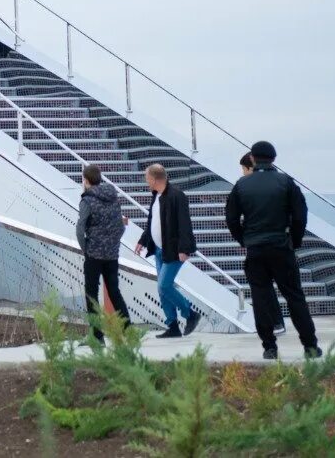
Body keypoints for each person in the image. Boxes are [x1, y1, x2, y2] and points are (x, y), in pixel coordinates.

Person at [225, 141, 322, 360]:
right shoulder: (286, 182)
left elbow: (231, 218)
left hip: (256, 250)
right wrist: (294, 240)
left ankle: (270, 347)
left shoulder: (242, 185)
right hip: (281, 246)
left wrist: (244, 240)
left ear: (253, 158)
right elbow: (300, 215)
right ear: (273, 158)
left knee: (260, 297)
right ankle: (310, 346)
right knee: (295, 297)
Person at [134, 164, 201, 337]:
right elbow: (152, 223)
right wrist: (143, 240)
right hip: (158, 249)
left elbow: (185, 224)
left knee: (164, 285)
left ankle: (190, 314)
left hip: (173, 250)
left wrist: (184, 249)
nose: (146, 181)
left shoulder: (177, 196)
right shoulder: (156, 196)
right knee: (161, 288)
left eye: (147, 178)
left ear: (155, 179)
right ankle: (172, 325)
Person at [77, 165, 131, 340]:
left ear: (86, 180)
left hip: (94, 254)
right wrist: (113, 243)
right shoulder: (113, 197)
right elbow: (120, 225)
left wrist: (86, 248)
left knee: (91, 294)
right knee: (114, 291)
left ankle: (96, 335)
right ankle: (128, 331)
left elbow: (80, 228)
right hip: (111, 253)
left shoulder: (87, 201)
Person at [239, 153, 287, 337]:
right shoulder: (279, 183)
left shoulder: (251, 188)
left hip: (261, 243)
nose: (243, 174)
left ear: (251, 168)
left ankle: (275, 322)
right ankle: (276, 322)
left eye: (244, 169)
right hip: (277, 243)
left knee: (263, 285)